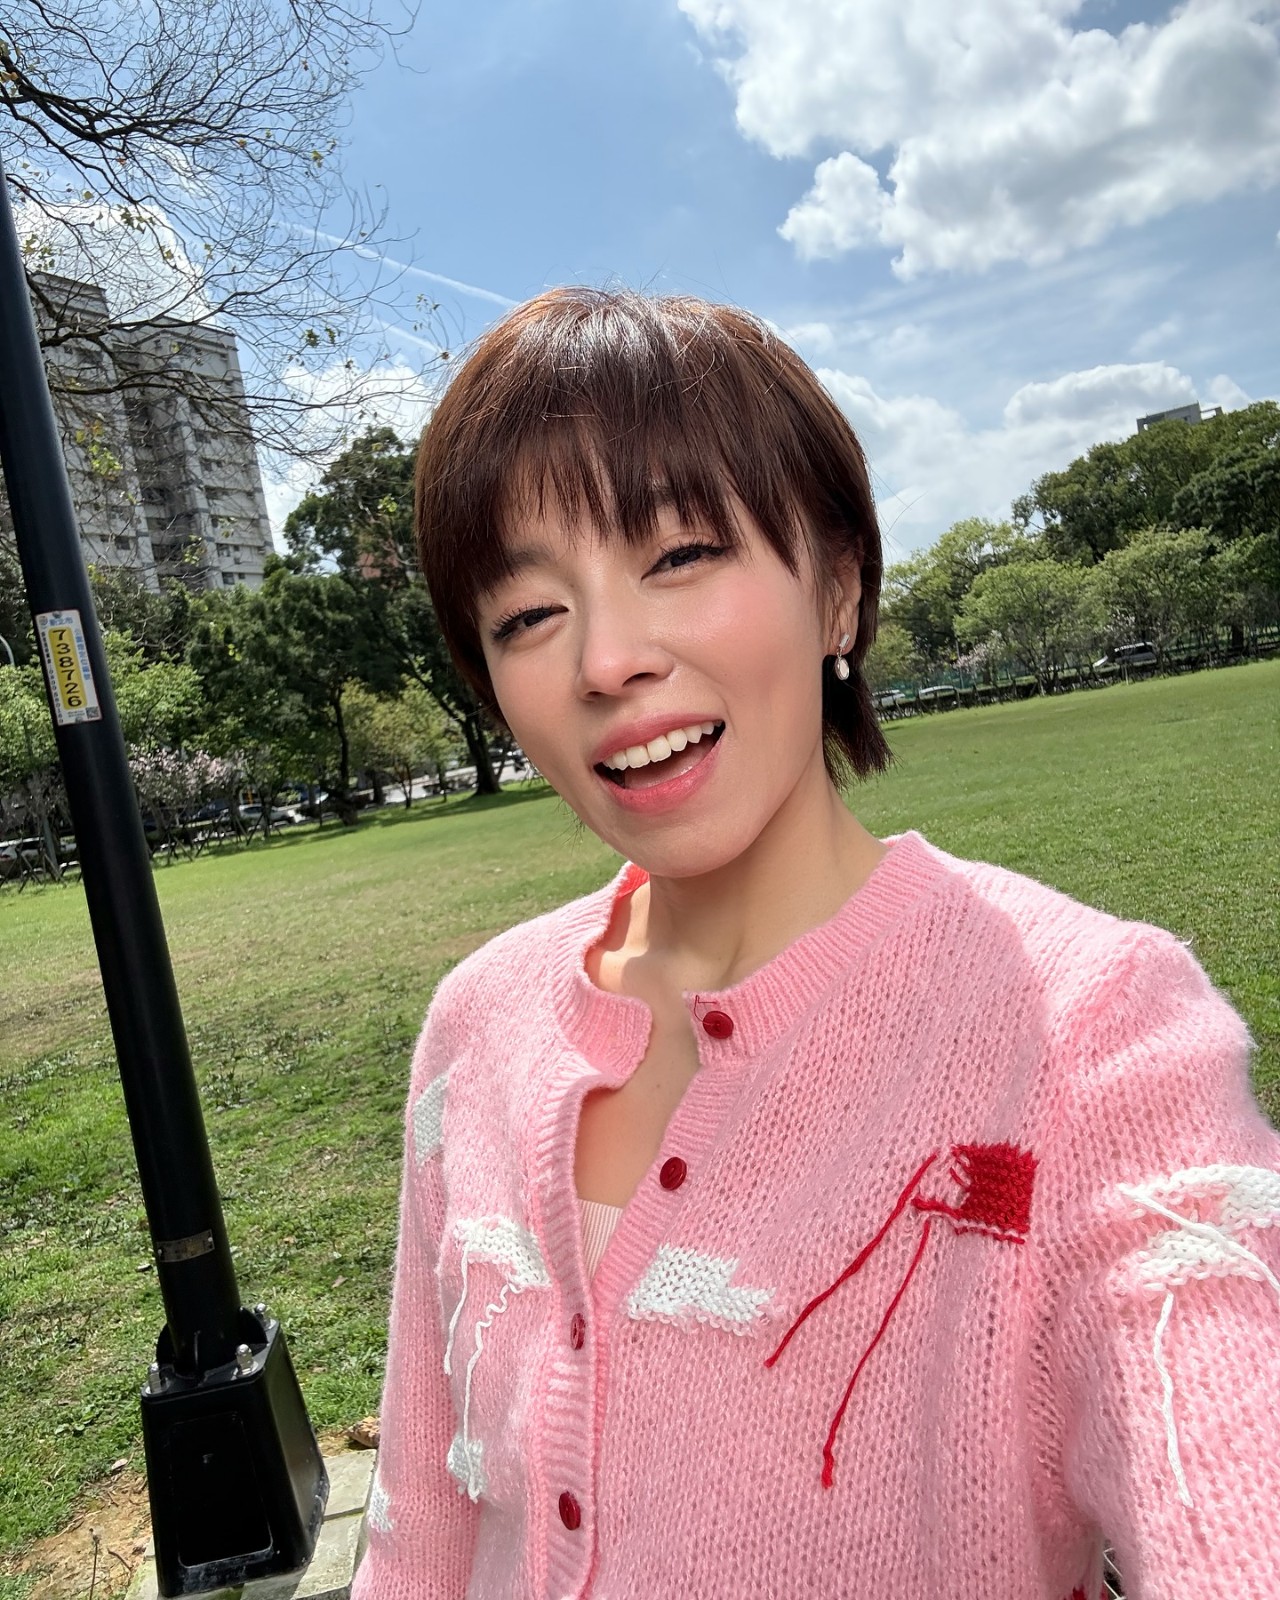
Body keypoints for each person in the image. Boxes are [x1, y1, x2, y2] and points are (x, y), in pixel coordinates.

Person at [351, 288, 1280, 1600]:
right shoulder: (475, 1026)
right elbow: (417, 1534)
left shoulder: (1089, 1031)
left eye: (680, 554)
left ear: (836, 589)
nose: (606, 661)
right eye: (527, 617)